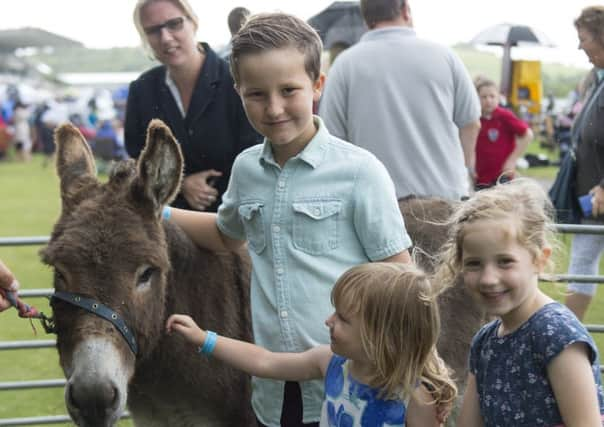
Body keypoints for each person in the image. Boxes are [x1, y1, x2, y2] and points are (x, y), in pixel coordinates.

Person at [163, 12, 412, 427]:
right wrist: (161, 212)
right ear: (238, 91)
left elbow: (400, 277)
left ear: (317, 85)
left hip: (352, 386)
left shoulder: (359, 172)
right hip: (274, 388)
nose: (274, 108)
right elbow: (227, 235)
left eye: (289, 90)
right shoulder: (245, 169)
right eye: (256, 94)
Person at [166, 263, 456, 427]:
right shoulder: (332, 363)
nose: (328, 321)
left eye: (343, 318)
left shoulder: (415, 395)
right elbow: (266, 362)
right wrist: (205, 339)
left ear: (382, 336)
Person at [434, 179, 604, 426]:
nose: (489, 279)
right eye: (474, 263)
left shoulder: (556, 334)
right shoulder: (485, 341)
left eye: (505, 261)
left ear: (539, 259)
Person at [319, 0, 480, 201]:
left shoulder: (344, 65)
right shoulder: (445, 56)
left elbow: (332, 139)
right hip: (444, 198)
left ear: (366, 20)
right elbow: (471, 123)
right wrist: (460, 170)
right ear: (406, 10)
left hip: (375, 202)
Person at [126, 0, 261, 212]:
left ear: (194, 22)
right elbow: (137, 162)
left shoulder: (237, 80)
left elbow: (256, 155)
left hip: (236, 220)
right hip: (169, 225)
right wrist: (181, 184)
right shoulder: (142, 90)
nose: (165, 37)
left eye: (174, 24)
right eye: (152, 30)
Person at [564, 6, 604, 321]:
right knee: (581, 267)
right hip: (590, 199)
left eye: (584, 38)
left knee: (582, 267)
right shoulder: (596, 80)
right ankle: (566, 338)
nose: (580, 46)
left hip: (599, 192)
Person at [474, 78, 533, 189]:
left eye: (492, 96)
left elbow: (527, 134)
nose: (488, 100)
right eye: (484, 97)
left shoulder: (504, 116)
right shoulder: (475, 119)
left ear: (498, 97)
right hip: (480, 177)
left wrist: (512, 160)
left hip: (502, 176)